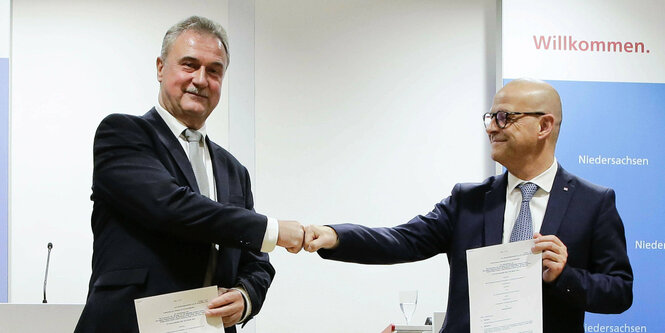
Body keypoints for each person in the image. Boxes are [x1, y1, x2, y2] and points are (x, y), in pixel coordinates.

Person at [304, 79, 633, 333]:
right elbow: (400, 241)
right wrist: (332, 236)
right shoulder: (468, 201)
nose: (491, 127)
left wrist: (564, 275)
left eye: (504, 117)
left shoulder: (594, 202)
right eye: (490, 117)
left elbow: (619, 292)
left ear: (543, 126)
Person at [75, 16, 304, 333]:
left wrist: (246, 296)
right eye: (189, 64)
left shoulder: (234, 171)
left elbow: (255, 261)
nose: (200, 79)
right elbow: (172, 208)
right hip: (130, 325)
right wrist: (274, 230)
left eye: (214, 70)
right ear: (160, 68)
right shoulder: (123, 134)